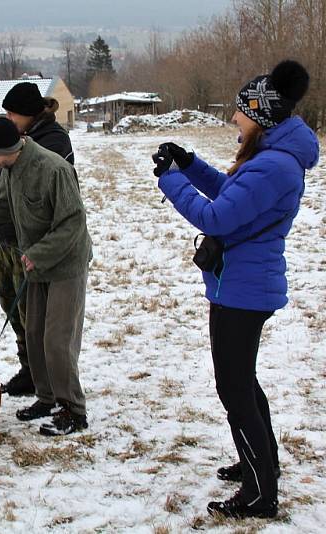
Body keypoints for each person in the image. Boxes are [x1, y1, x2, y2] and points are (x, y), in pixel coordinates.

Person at [152, 60, 317, 520]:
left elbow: (217, 217)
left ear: (262, 116)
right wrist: (189, 164)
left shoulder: (272, 167)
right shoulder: (271, 161)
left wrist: (170, 179)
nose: (233, 119)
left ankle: (261, 493)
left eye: (240, 111)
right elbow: (231, 193)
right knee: (242, 384)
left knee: (235, 389)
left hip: (242, 291)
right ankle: (259, 466)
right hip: (240, 285)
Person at [0, 118, 92, 436]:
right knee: (34, 333)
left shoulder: (53, 169)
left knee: (57, 341)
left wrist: (38, 253)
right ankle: (46, 398)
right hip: (37, 263)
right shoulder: (10, 171)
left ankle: (73, 409)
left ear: (6, 149)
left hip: (66, 263)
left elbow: (73, 223)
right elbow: (3, 209)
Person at [0, 82, 77, 396]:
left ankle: (46, 378)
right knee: (12, 306)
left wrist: (2, 174)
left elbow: (27, 186)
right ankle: (30, 370)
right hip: (3, 235)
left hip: (32, 243)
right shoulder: (6, 138)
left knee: (33, 315)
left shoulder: (53, 142)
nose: (8, 118)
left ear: (29, 114)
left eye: (12, 113)